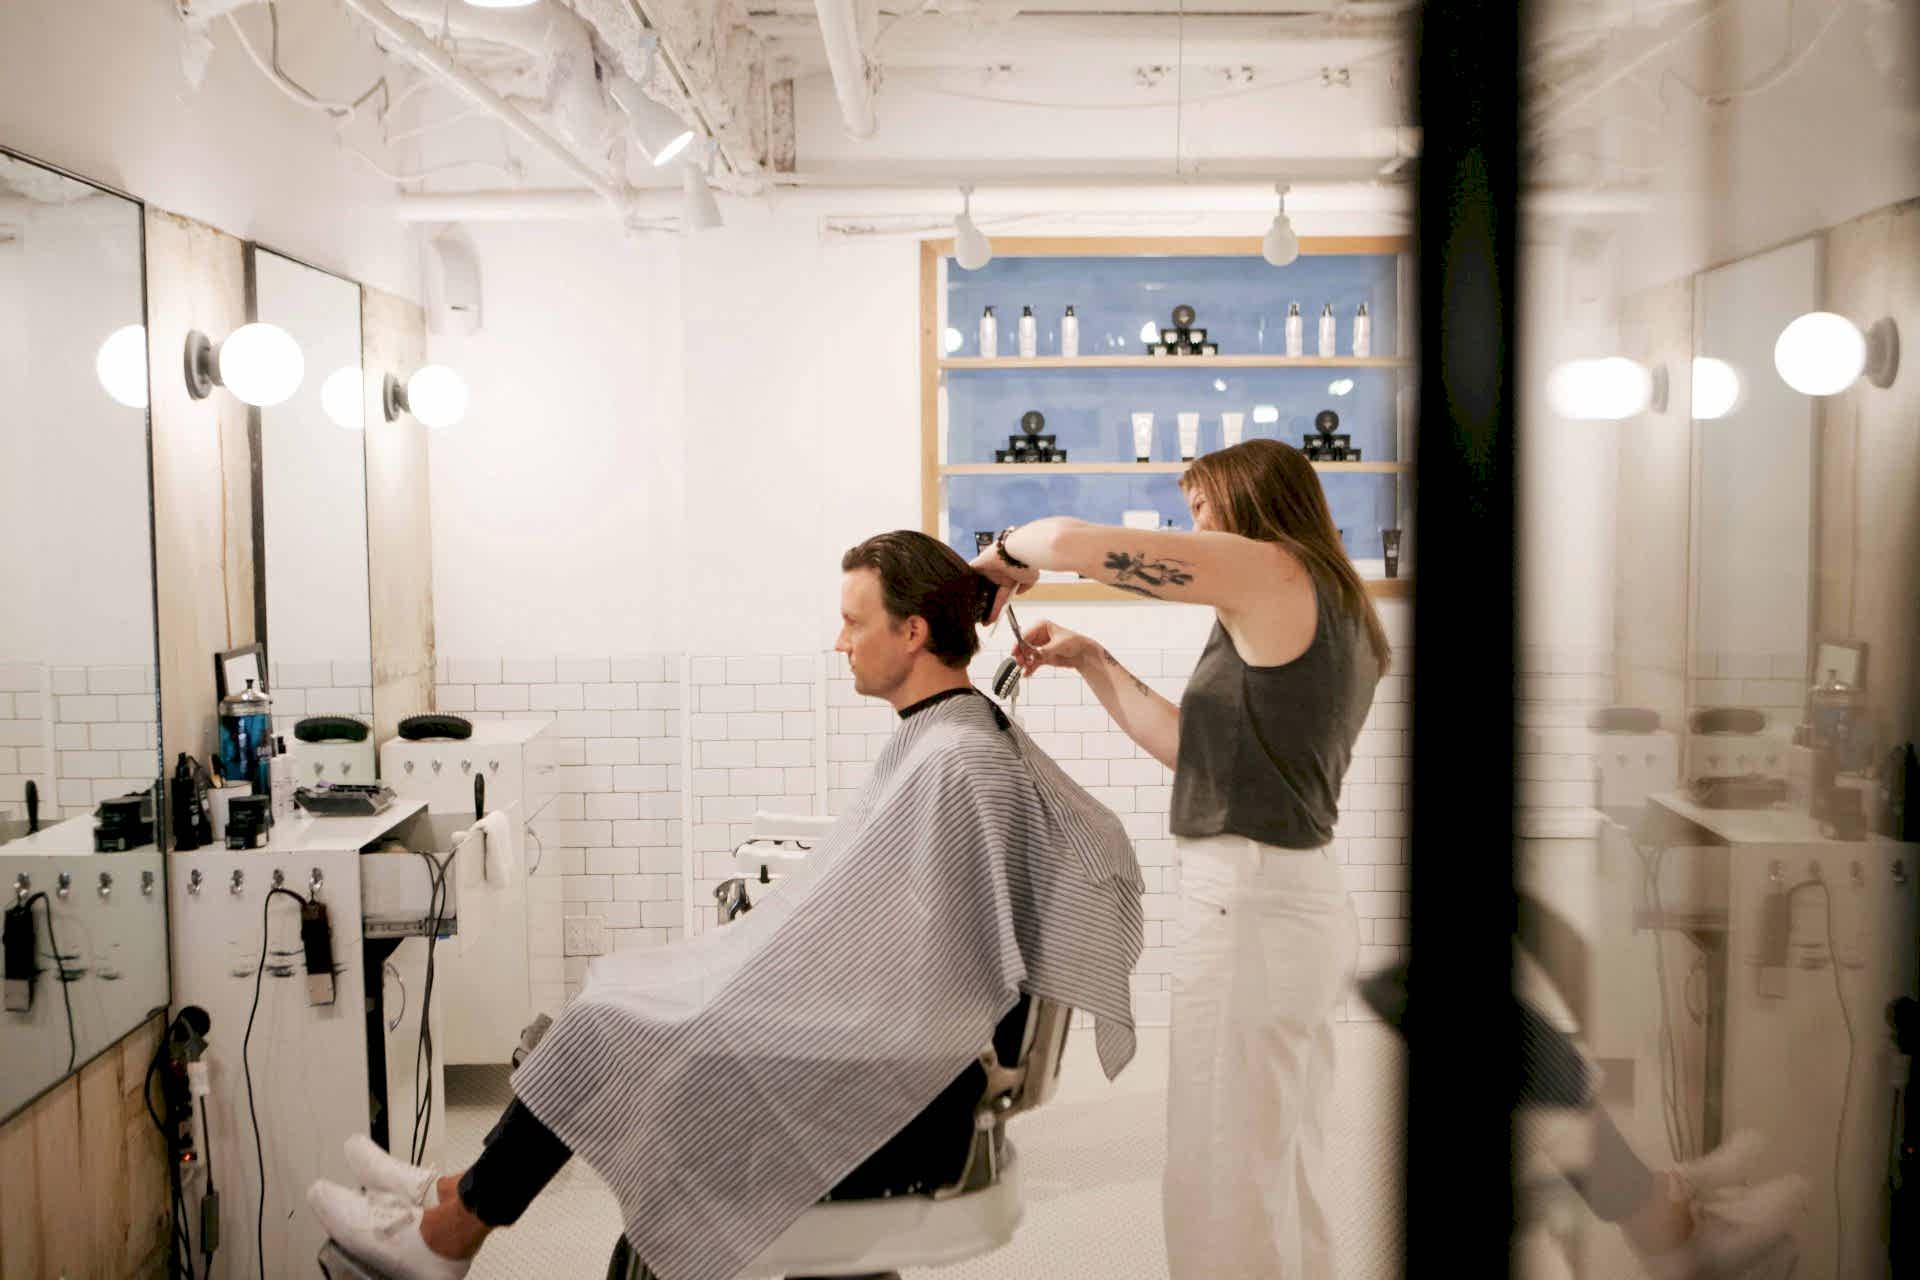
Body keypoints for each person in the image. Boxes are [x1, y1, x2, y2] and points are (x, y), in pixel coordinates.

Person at [308, 530, 1146, 1280]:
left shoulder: (957, 757)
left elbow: (933, 963)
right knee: (623, 995)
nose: (839, 642)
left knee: (612, 1018)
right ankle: (452, 1198)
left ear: (913, 632)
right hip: (894, 1031)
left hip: (906, 1059)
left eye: (855, 622)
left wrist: (779, 973)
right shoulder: (947, 734)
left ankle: (450, 1228)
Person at [970, 437, 1389, 1279]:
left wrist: (1001, 558)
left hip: (1253, 906)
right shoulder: (1324, 602)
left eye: (1200, 507)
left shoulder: (1270, 569)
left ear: (1248, 502)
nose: (1190, 526)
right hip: (1293, 900)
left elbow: (1070, 542)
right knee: (1278, 1157)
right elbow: (1197, 751)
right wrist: (1090, 658)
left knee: (1221, 1167)